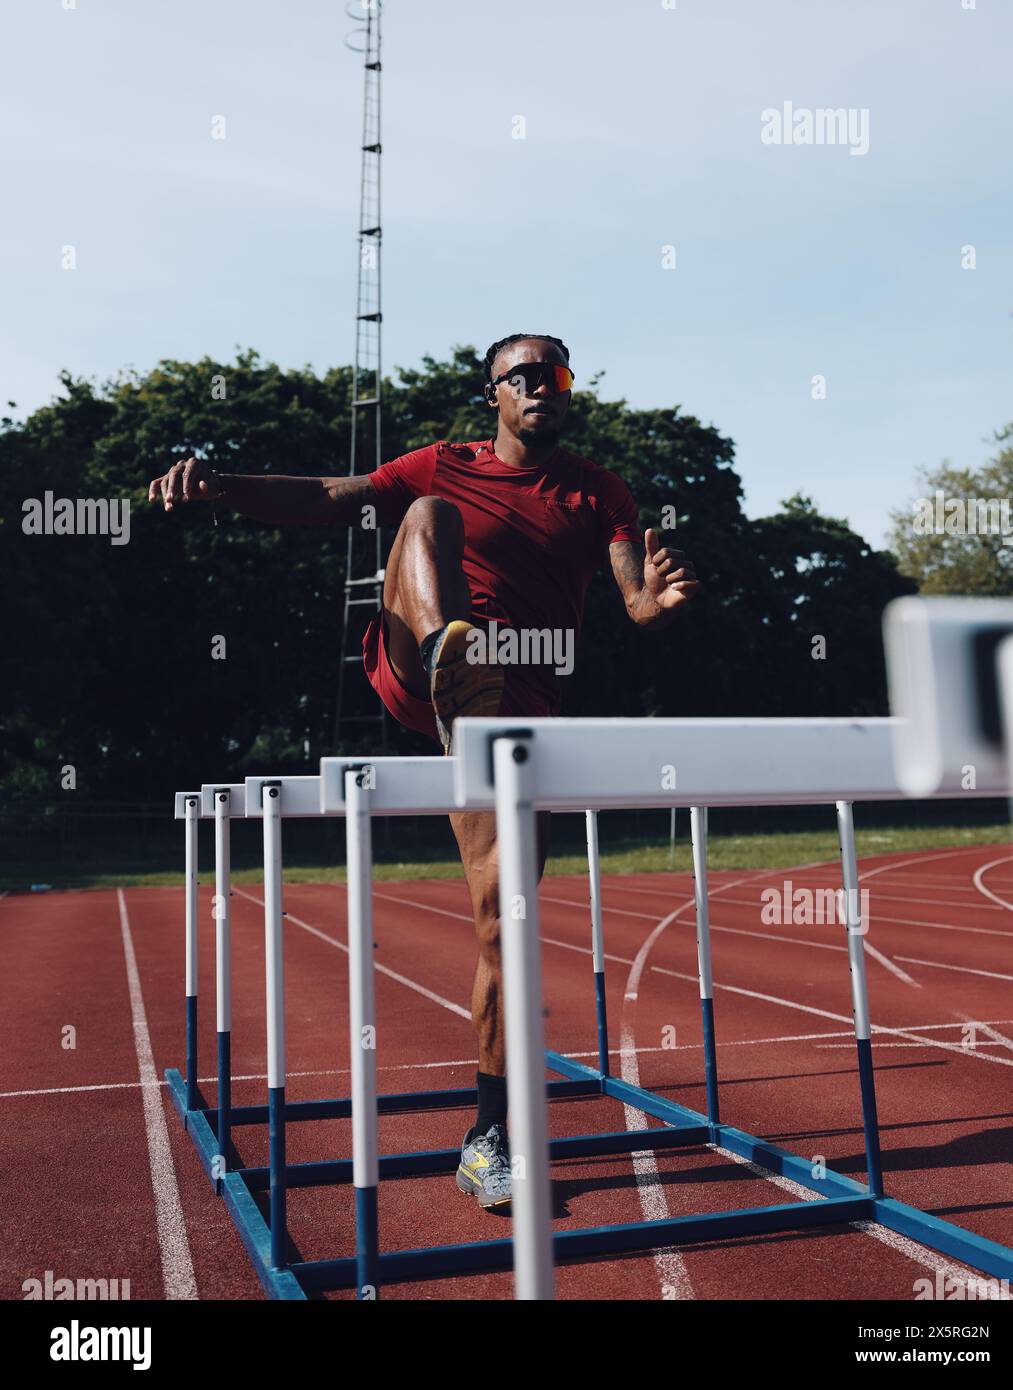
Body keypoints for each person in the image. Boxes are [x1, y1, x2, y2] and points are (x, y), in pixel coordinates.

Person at [149, 332, 699, 1210]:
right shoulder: (445, 462)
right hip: (418, 662)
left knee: (503, 927)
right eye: (523, 375)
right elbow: (338, 496)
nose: (542, 387)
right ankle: (454, 653)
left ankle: (489, 1137)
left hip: (517, 717)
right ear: (493, 394)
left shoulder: (600, 491)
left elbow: (635, 601)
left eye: (555, 374)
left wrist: (660, 603)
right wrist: (223, 487)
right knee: (425, 516)